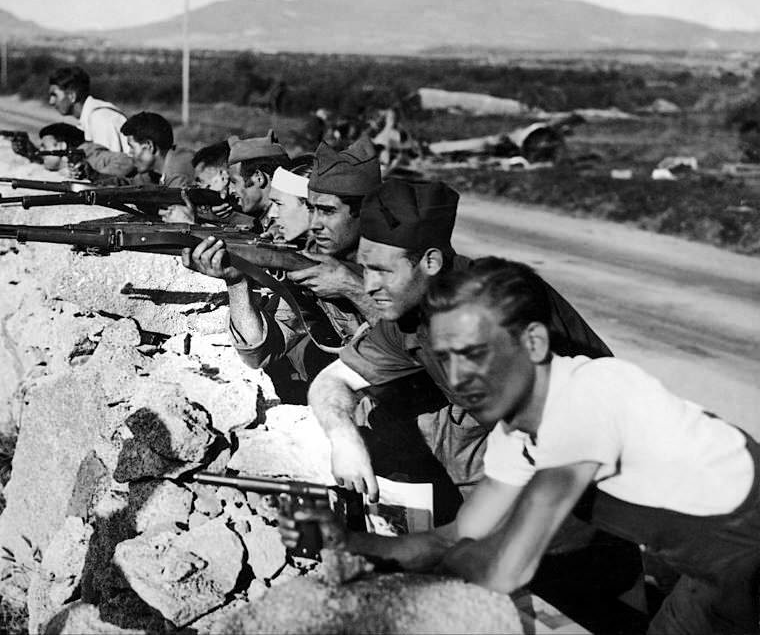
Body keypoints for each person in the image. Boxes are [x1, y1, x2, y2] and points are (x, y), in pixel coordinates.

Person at [288, 257, 760, 635]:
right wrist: (351, 543)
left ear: (534, 343)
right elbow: (452, 539)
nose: (457, 380)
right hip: (709, 569)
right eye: (445, 359)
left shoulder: (588, 398)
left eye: (477, 355)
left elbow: (506, 566)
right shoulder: (516, 433)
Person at [310, 178, 611, 511]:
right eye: (365, 270)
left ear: (431, 262)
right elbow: (331, 381)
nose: (368, 286)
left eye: (382, 271)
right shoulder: (407, 316)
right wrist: (344, 440)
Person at [181, 136, 382, 396]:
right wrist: (236, 282)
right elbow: (259, 353)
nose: (272, 217)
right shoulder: (313, 265)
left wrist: (352, 289)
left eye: (279, 205)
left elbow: (418, 349)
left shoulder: (390, 262)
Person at [47, 66, 130, 154]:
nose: (51, 101)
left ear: (72, 96)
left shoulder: (100, 119)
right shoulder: (90, 117)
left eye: (54, 95)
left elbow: (111, 163)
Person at [120, 111, 195, 189]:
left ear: (149, 146)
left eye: (132, 147)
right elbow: (132, 183)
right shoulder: (158, 170)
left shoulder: (178, 174)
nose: (129, 153)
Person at [37, 122, 135, 180]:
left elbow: (127, 161)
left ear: (61, 146)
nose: (40, 150)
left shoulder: (89, 155)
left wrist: (94, 175)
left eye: (44, 146)